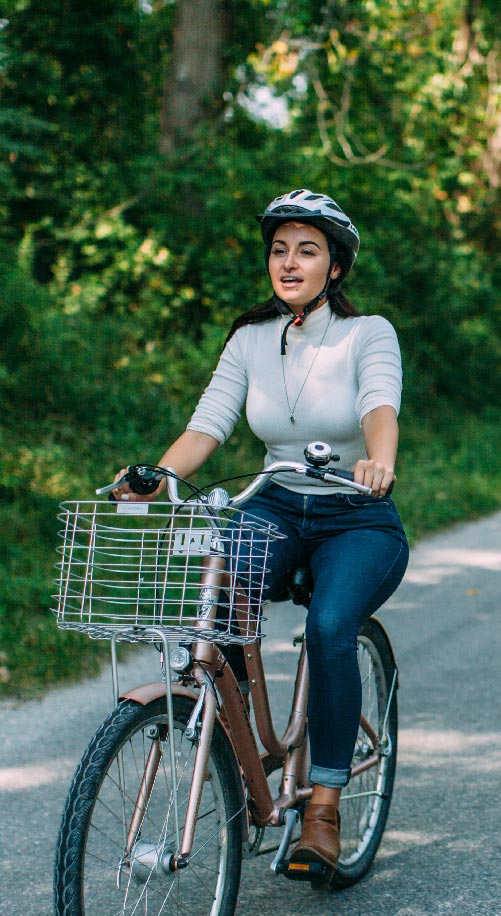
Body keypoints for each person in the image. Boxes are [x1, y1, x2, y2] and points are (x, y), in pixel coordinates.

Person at [113, 188, 409, 872]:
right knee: (214, 609)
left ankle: (325, 805)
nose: (289, 262)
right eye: (279, 250)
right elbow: (208, 425)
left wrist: (379, 462)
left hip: (356, 515)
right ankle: (241, 758)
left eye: (307, 250)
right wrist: (156, 477)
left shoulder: (369, 334)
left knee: (332, 626)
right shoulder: (250, 339)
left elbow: (379, 407)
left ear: (336, 267)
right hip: (273, 505)